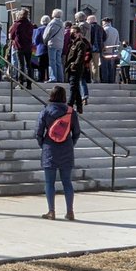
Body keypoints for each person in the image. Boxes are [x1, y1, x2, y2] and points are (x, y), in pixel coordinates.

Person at [35, 84, 80, 221]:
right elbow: (76, 132)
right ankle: (70, 211)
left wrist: (43, 144)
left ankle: (51, 211)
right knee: (67, 181)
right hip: (66, 148)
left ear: (51, 96)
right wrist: (70, 143)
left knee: (49, 182)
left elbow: (38, 132)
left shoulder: (46, 111)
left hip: (50, 148)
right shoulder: (71, 112)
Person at [64, 24, 91, 113]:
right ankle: (79, 105)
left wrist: (74, 65)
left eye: (73, 33)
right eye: (71, 32)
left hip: (76, 68)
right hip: (70, 68)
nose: (71, 34)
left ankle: (70, 104)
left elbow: (80, 56)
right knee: (75, 87)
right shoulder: (72, 43)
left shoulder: (81, 43)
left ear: (78, 33)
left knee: (73, 87)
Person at [8, 8, 34, 88]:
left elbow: (11, 36)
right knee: (29, 65)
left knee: (21, 65)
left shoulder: (17, 24)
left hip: (19, 46)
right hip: (28, 46)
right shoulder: (30, 24)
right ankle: (29, 83)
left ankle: (21, 82)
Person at [43, 9, 65, 82]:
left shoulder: (52, 23)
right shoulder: (62, 24)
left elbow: (47, 34)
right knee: (58, 61)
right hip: (60, 44)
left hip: (52, 43)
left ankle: (53, 77)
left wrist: (45, 41)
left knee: (52, 61)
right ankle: (60, 78)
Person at [101, 17, 120, 84]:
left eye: (103, 22)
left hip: (105, 50)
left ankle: (105, 79)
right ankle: (111, 80)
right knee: (111, 67)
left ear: (105, 22)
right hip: (112, 51)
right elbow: (117, 42)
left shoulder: (104, 29)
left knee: (104, 66)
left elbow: (103, 40)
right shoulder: (115, 30)